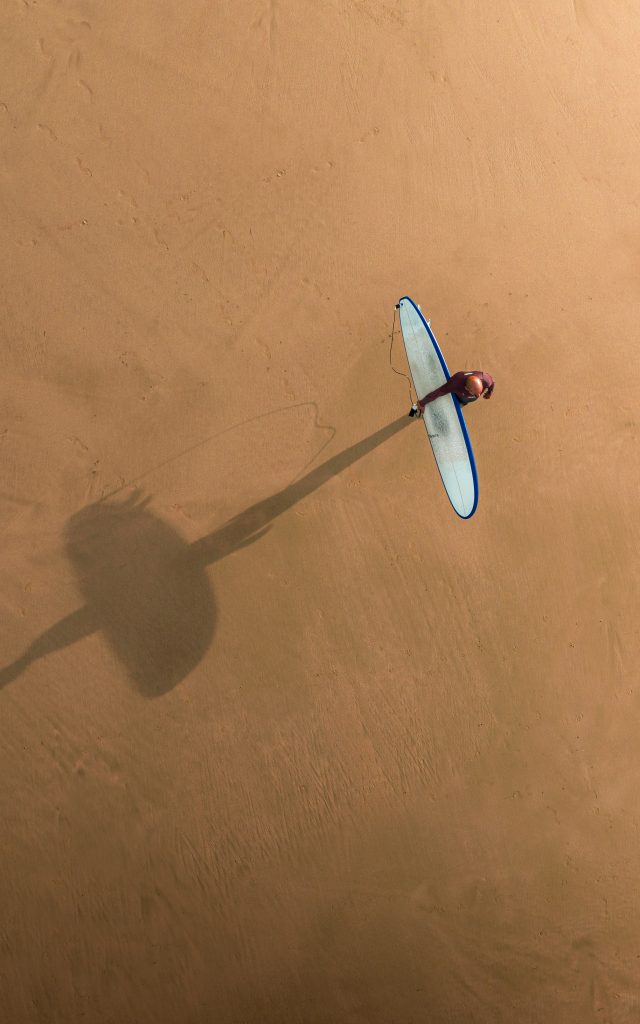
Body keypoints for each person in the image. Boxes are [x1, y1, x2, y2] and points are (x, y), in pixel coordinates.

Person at [409, 371, 494, 416]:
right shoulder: (455, 383)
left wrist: (490, 392)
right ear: (466, 388)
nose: (479, 395)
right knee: (414, 409)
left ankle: (463, 403)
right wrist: (422, 403)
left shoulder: (485, 379)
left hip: (466, 397)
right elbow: (438, 392)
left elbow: (492, 383)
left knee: (465, 401)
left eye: (479, 392)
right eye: (475, 393)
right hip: (459, 393)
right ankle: (412, 410)